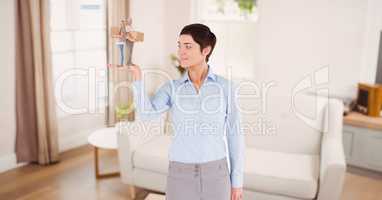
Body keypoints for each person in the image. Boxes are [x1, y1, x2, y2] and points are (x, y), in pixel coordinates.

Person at [128, 23, 244, 200]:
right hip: (179, 175)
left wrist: (237, 182)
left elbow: (235, 136)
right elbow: (146, 114)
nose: (181, 51)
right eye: (179, 45)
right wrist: (137, 77)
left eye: (188, 46)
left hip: (217, 175)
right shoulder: (172, 88)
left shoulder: (225, 88)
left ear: (206, 50)